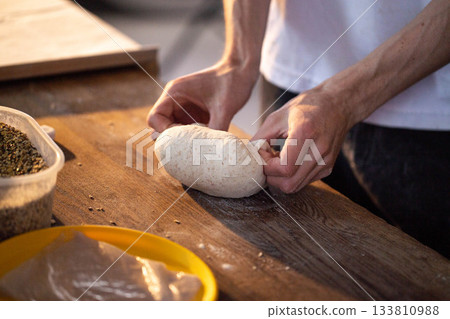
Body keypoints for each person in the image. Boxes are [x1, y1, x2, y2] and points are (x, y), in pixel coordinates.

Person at [147, 0, 449, 256]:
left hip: (425, 113)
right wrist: (238, 59)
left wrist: (342, 99)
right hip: (293, 73)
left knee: (407, 265)